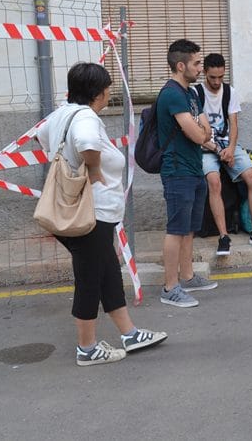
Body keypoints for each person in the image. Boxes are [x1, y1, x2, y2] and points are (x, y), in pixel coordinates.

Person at [36, 62, 166, 366]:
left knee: (107, 271)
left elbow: (42, 136)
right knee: (90, 278)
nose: (110, 93)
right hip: (89, 214)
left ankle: (129, 333)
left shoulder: (60, 114)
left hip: (87, 213)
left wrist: (67, 160)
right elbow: (85, 143)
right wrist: (93, 170)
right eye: (108, 88)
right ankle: (87, 348)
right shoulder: (85, 117)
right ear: (98, 93)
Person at [197, 53, 252, 256]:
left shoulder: (229, 92)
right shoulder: (194, 93)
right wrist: (218, 150)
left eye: (220, 77)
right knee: (214, 181)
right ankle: (224, 236)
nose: (217, 82)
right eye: (212, 77)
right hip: (205, 146)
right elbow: (195, 132)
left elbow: (234, 124)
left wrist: (232, 149)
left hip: (227, 144)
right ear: (205, 73)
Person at [157, 39, 218, 308]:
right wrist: (200, 132)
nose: (200, 67)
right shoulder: (171, 94)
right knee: (176, 229)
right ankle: (170, 287)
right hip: (177, 170)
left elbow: (205, 129)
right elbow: (197, 134)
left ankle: (188, 276)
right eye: (196, 63)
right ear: (181, 65)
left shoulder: (192, 94)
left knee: (190, 229)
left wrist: (200, 132)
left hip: (194, 167)